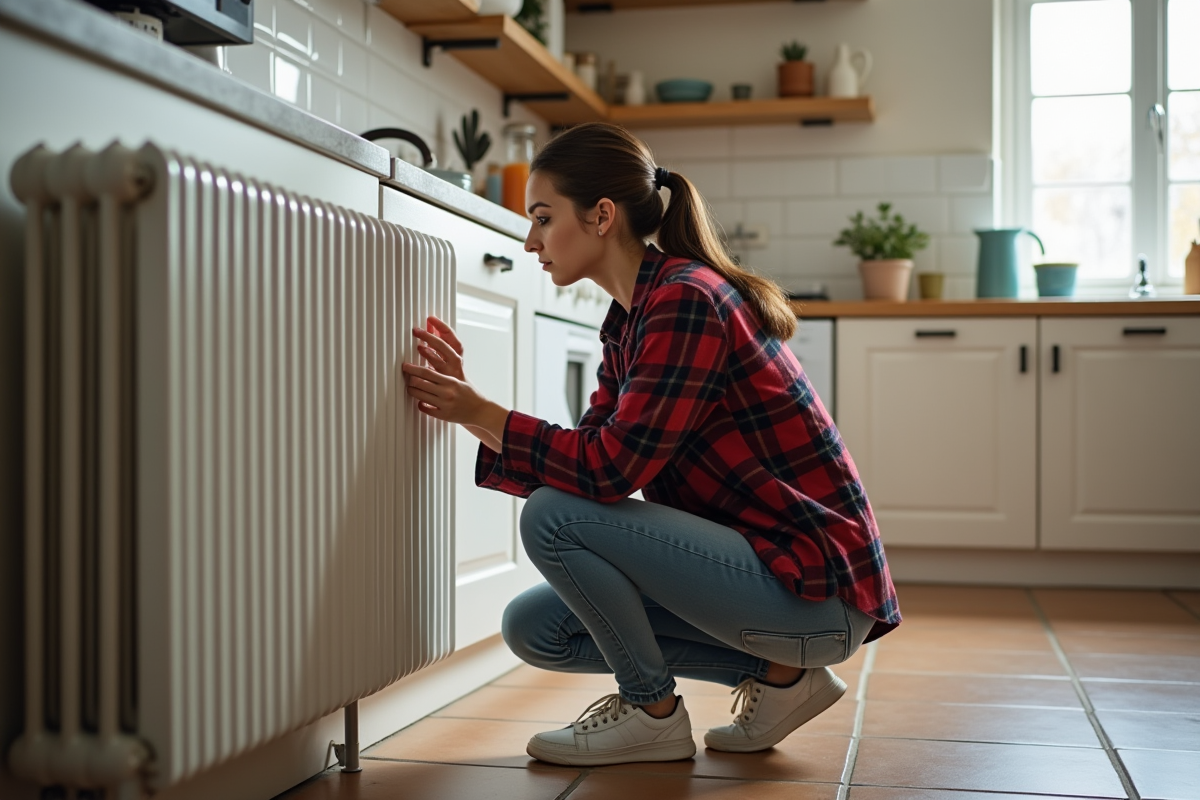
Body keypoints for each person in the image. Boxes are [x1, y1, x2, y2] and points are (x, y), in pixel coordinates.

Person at [400, 122, 901, 767]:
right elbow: (591, 460)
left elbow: (607, 476)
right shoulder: (632, 317)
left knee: (552, 517)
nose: (531, 242)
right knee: (537, 628)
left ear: (602, 215)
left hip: (813, 596)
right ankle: (783, 678)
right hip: (774, 579)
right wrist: (473, 414)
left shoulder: (685, 300)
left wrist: (486, 412)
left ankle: (650, 712)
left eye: (544, 218)